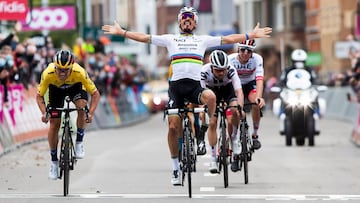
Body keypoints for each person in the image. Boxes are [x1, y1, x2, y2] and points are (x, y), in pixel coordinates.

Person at [102, 6, 272, 186]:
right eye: (184, 18)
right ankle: (175, 167)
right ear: (179, 22)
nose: (187, 20)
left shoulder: (203, 40)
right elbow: (145, 38)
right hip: (176, 88)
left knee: (211, 98)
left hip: (195, 87)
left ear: (196, 23)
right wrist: (122, 32)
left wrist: (249, 35)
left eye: (191, 18)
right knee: (173, 127)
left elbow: (229, 39)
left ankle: (203, 131)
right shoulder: (170, 39)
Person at [36, 50, 100, 180]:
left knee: (82, 107)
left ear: (72, 67)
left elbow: (95, 94)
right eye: (59, 69)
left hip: (75, 87)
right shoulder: (48, 73)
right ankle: (54, 161)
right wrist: (44, 113)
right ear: (55, 66)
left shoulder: (79, 72)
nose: (62, 73)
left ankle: (79, 142)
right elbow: (39, 96)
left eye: (66, 70)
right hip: (55, 90)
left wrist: (91, 113)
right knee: (54, 124)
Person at [200, 50, 245, 173]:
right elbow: (201, 94)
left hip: (227, 90)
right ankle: (213, 159)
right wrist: (202, 111)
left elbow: (239, 91)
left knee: (235, 110)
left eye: (223, 70)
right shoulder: (204, 71)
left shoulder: (230, 70)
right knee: (212, 122)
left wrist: (240, 107)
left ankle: (234, 139)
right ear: (212, 67)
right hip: (211, 92)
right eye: (218, 70)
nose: (221, 73)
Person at [228, 39, 266, 153]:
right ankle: (234, 138)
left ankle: (255, 134)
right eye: (243, 50)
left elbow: (259, 79)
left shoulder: (257, 59)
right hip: (235, 85)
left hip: (250, 84)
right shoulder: (230, 59)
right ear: (238, 49)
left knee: (256, 103)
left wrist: (259, 97)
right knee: (234, 112)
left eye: (249, 51)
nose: (245, 53)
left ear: (252, 52)